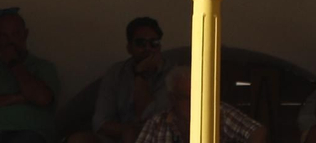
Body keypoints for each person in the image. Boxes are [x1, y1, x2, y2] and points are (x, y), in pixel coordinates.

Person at [0, 9, 60, 143]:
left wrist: (14, 63)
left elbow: (42, 98)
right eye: (3, 36)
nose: (10, 41)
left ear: (25, 34)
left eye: (15, 34)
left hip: (29, 133)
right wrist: (17, 98)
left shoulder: (43, 67)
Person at [88, 16, 170, 143]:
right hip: (119, 135)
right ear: (129, 48)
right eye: (141, 43)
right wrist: (127, 130)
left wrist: (141, 74)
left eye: (153, 43)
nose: (148, 48)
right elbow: (100, 122)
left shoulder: (171, 75)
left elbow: (150, 120)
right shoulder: (116, 73)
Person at [134, 66, 264, 143]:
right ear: (173, 98)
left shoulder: (218, 112)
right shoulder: (157, 123)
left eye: (199, 97)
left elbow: (257, 131)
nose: (196, 103)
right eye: (188, 98)